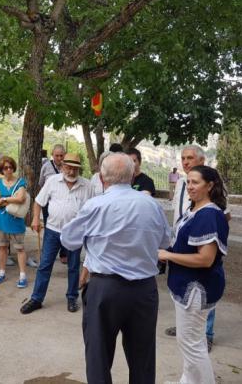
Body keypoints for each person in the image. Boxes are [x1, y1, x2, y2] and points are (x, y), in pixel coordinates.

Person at [61, 153, 171, 384]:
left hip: (105, 288)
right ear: (132, 176)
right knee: (143, 359)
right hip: (143, 290)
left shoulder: (96, 205)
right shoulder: (151, 205)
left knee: (98, 357)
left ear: (102, 177)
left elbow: (69, 240)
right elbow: (164, 242)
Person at [158, 166, 229, 384]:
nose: (190, 187)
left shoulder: (209, 214)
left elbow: (205, 259)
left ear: (210, 185)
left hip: (196, 289)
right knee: (189, 341)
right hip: (189, 285)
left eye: (195, 182)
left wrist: (167, 256)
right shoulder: (195, 210)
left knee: (192, 344)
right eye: (188, 182)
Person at [21, 154, 93, 314]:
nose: (72, 171)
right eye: (68, 167)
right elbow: (39, 202)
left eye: (75, 168)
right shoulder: (52, 181)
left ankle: (72, 297)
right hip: (53, 230)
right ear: (62, 167)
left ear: (79, 169)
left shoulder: (87, 186)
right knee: (45, 265)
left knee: (73, 266)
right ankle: (36, 298)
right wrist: (34, 219)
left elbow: (93, 210)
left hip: (75, 233)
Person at [0, 156, 30, 288]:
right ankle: (1, 273)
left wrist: (4, 199)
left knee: (20, 248)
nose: (8, 170)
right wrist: (6, 200)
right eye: (5, 168)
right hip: (1, 220)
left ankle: (23, 276)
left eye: (10, 167)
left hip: (15, 220)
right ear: (1, 169)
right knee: (2, 247)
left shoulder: (21, 182)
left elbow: (21, 199)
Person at [39, 144, 66, 264]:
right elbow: (41, 183)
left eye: (61, 155)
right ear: (52, 155)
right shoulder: (46, 166)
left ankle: (64, 253)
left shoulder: (68, 167)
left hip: (64, 203)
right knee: (49, 227)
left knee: (65, 228)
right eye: (57, 155)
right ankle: (47, 253)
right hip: (49, 203)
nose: (59, 158)